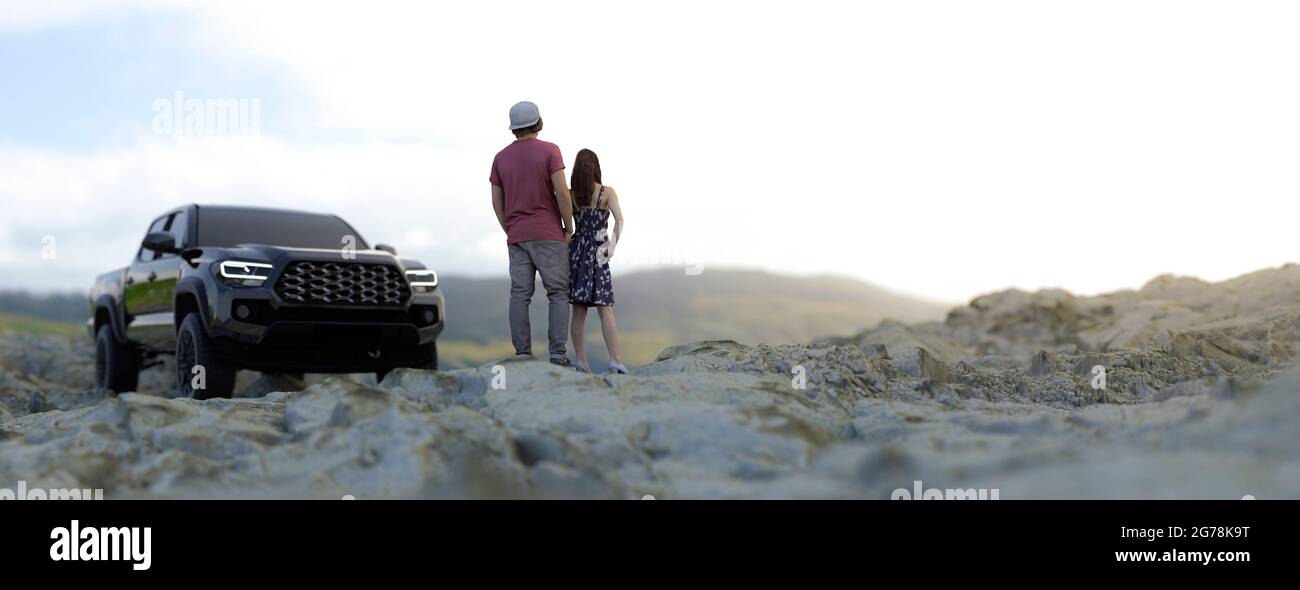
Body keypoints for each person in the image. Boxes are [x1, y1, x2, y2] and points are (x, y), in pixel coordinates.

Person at [490, 101, 575, 367]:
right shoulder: (551, 151)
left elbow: (496, 201)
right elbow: (562, 192)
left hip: (517, 236)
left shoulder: (500, 158)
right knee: (558, 292)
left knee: (520, 294)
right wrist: (568, 226)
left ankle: (523, 354)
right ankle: (558, 356)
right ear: (539, 123)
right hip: (548, 232)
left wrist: (510, 228)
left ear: (513, 128)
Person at [567, 149, 627, 373]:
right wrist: (611, 246)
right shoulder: (607, 192)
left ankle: (581, 361)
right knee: (605, 308)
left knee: (579, 310)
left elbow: (565, 224)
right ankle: (615, 359)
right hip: (599, 250)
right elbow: (620, 220)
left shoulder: (570, 194)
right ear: (596, 168)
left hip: (576, 252)